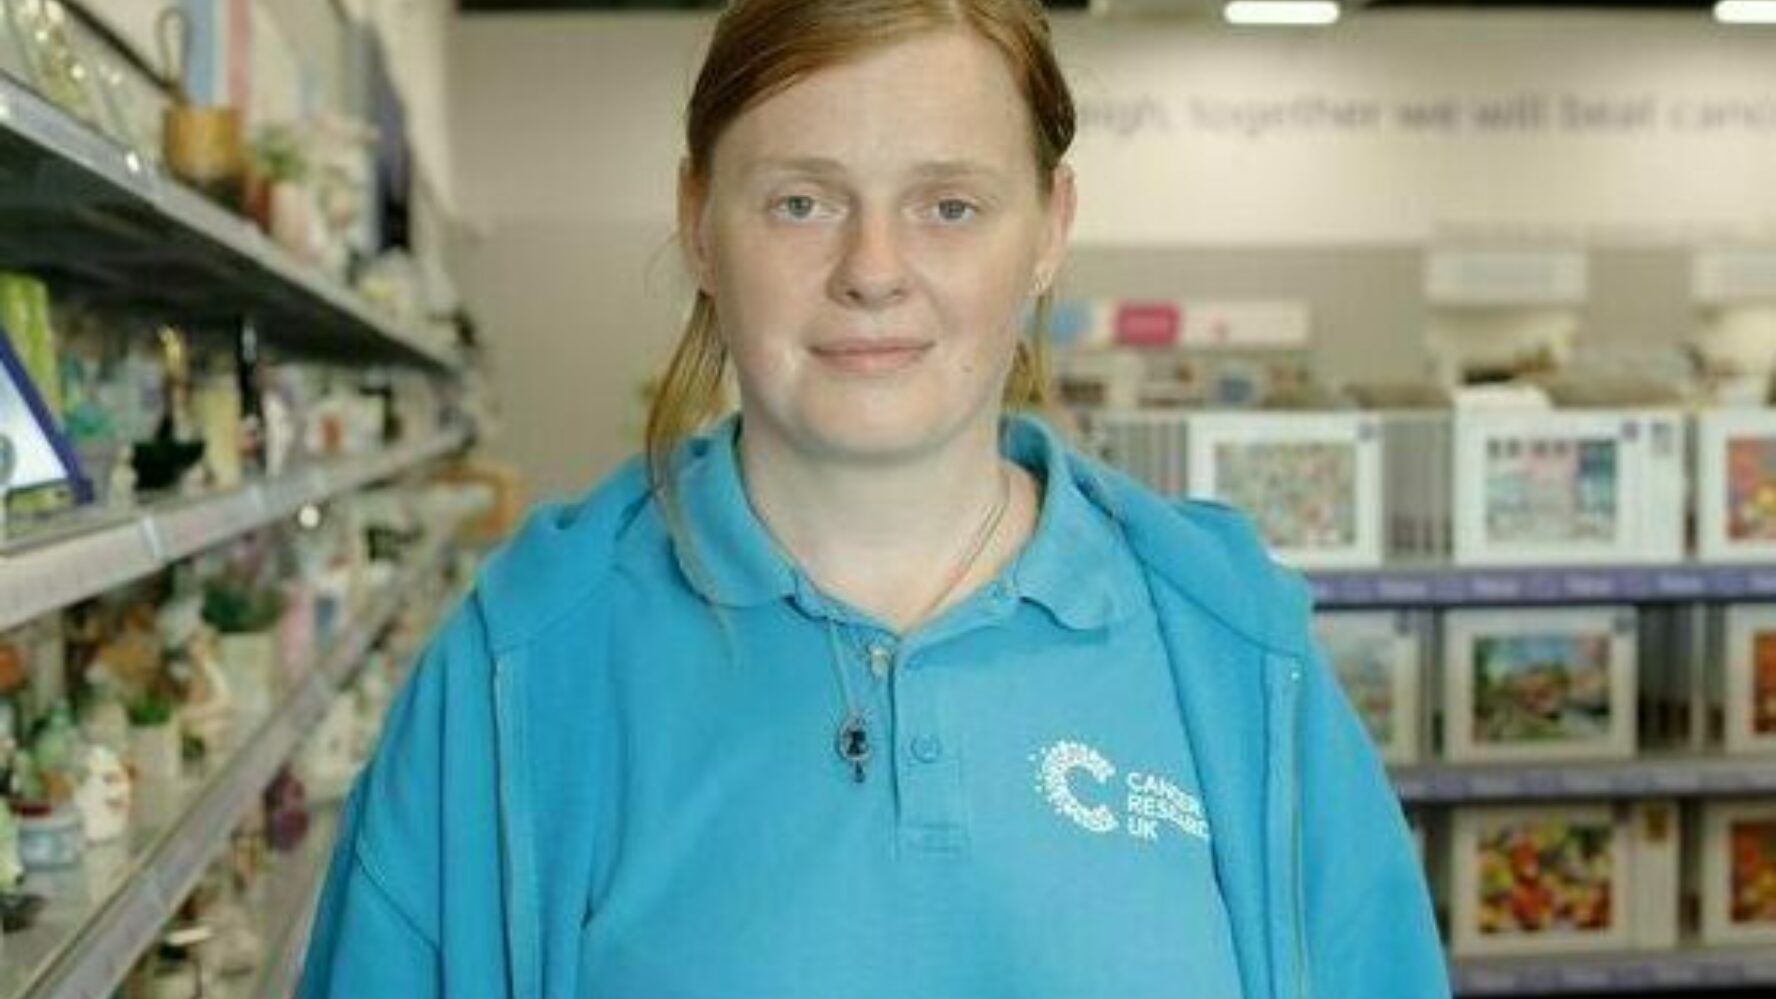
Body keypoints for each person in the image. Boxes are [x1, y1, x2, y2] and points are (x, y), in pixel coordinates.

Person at [298, 0, 1448, 993]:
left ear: (1050, 230)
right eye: (802, 201)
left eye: (949, 205)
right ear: (699, 223)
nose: (874, 269)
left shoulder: (1234, 652)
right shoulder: (521, 671)